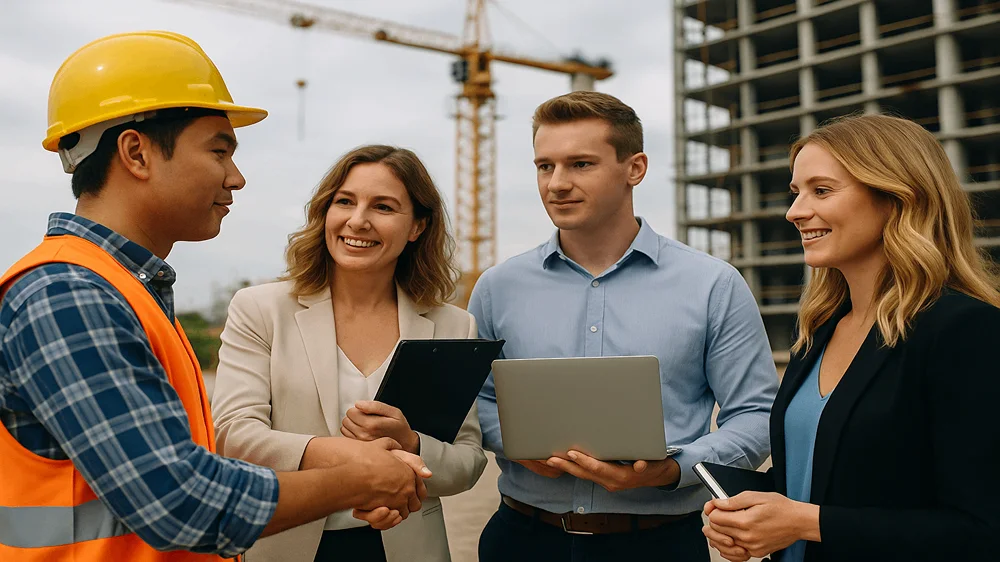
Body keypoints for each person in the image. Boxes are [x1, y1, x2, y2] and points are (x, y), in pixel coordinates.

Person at [0, 32, 430, 562]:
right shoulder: (67, 294)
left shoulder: (123, 290)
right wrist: (356, 478)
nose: (237, 177)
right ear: (136, 152)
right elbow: (180, 501)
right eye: (219, 150)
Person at [469, 91, 779, 561]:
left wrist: (672, 469)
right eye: (544, 166)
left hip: (660, 544)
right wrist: (514, 441)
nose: (557, 183)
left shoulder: (713, 284)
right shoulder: (496, 287)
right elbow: (476, 400)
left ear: (635, 168)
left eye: (580, 164)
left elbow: (756, 414)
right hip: (521, 539)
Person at [703, 114, 1000, 562]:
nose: (795, 211)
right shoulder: (818, 331)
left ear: (898, 197)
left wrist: (805, 522)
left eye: (821, 191)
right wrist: (753, 519)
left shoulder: (964, 330)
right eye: (796, 192)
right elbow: (821, 481)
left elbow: (981, 531)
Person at [211, 144, 488, 562]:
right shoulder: (260, 309)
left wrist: (412, 444)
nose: (358, 221)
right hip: (286, 546)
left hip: (407, 550)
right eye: (345, 201)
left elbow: (467, 463)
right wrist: (353, 460)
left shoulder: (453, 326)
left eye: (383, 206)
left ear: (417, 227)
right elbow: (233, 436)